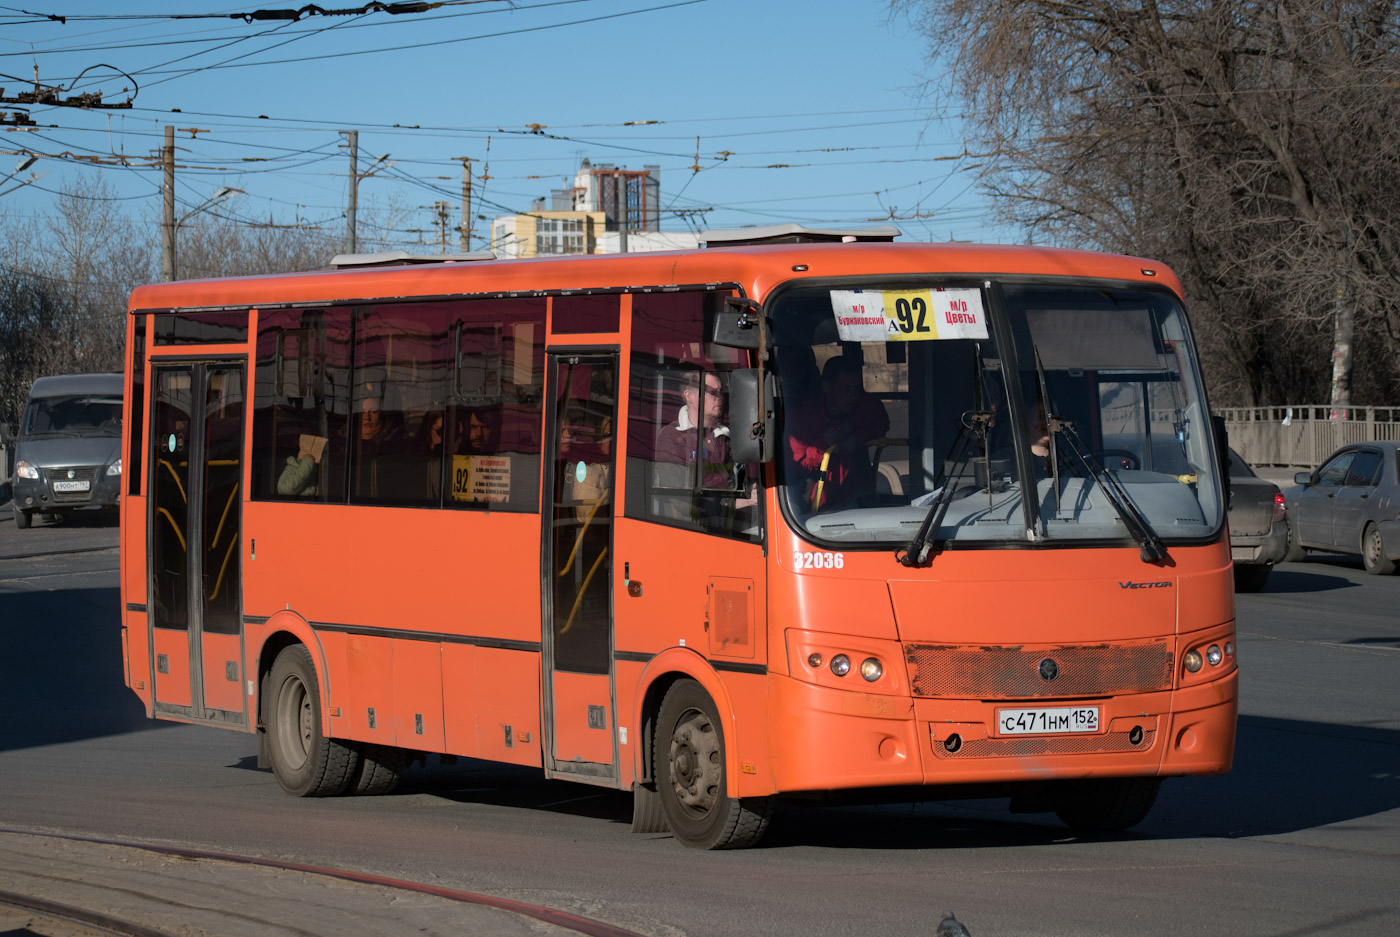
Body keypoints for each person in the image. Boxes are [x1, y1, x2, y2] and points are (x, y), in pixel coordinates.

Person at [786, 355, 889, 511]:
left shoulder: (864, 405)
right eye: (846, 389)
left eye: (856, 389)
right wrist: (825, 442)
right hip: (815, 505)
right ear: (826, 387)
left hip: (854, 497)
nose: (853, 396)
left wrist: (857, 439)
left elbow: (882, 423)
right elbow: (796, 467)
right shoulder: (803, 417)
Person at [653, 370, 754, 526]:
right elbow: (681, 502)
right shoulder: (672, 437)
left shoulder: (725, 435)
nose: (719, 398)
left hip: (732, 523)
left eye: (721, 392)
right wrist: (735, 503)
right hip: (695, 530)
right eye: (713, 392)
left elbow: (740, 479)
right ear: (689, 396)